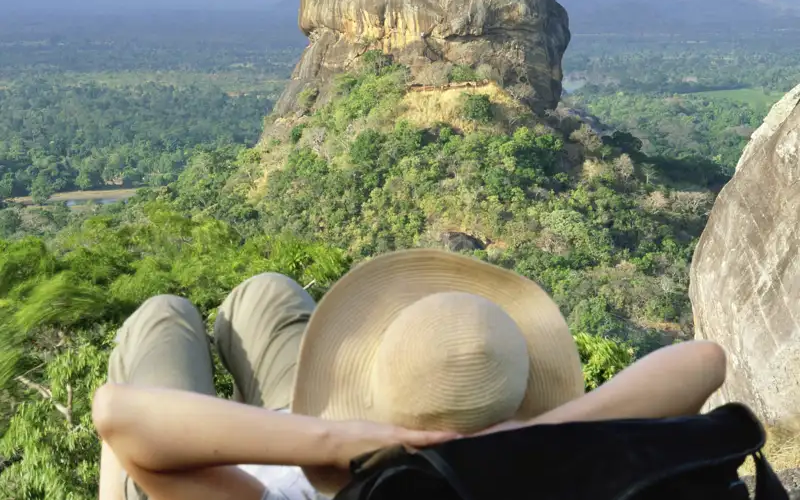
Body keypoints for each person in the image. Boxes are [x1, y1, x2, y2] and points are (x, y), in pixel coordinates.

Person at [93, 248, 727, 500]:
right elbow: (703, 361)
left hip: (250, 443)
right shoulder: (548, 474)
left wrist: (341, 440)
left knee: (162, 316)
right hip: (342, 427)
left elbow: (119, 417)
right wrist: (510, 441)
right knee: (268, 294)